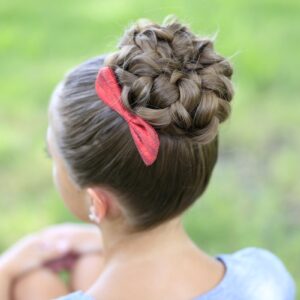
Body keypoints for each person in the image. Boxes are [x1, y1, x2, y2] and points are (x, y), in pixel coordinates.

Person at [0, 17, 296, 300]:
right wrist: (95, 246)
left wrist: (5, 270)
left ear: (97, 202)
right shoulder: (265, 278)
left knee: (32, 283)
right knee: (85, 266)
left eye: (51, 155)